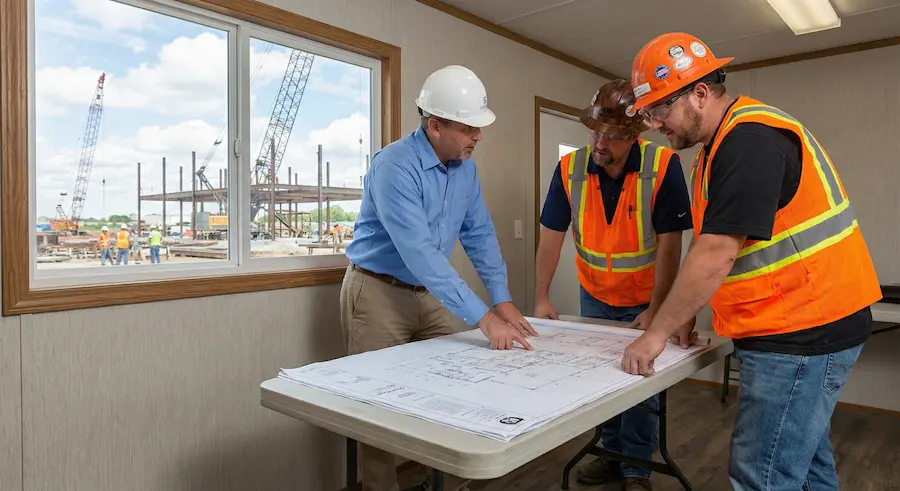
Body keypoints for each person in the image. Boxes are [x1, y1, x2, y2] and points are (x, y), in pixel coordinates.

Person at [622, 32, 882, 491]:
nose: (655, 123)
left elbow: (717, 253)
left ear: (700, 93)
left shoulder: (749, 141)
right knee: (804, 469)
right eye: (648, 112)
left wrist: (657, 333)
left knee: (762, 477)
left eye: (660, 108)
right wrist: (688, 313)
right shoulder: (718, 148)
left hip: (803, 332)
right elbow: (718, 248)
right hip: (804, 325)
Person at [342, 64, 538, 491]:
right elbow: (420, 254)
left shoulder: (464, 167)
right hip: (377, 293)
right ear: (435, 125)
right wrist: (483, 318)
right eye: (470, 128)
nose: (478, 138)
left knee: (450, 389)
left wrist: (502, 299)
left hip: (428, 293)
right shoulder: (394, 166)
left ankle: (433, 484)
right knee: (376, 405)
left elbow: (479, 233)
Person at [535, 79, 693, 491]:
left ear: (635, 134)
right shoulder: (569, 169)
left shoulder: (662, 166)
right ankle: (608, 454)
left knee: (639, 385)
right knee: (601, 382)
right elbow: (551, 233)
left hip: (643, 299)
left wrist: (658, 310)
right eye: (595, 131)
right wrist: (541, 296)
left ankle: (637, 467)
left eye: (613, 136)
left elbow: (670, 246)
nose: (601, 142)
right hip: (596, 295)